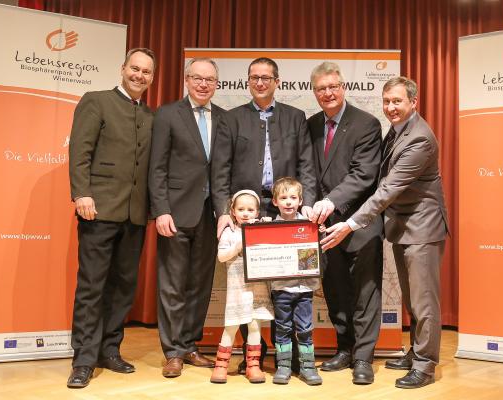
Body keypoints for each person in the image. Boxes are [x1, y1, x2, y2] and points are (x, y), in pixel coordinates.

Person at [320, 76, 449, 389]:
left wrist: (350, 223)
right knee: (411, 299)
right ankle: (416, 353)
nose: (391, 107)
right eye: (387, 101)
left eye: (398, 102)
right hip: (402, 228)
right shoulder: (396, 130)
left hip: (422, 229)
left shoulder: (419, 138)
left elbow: (387, 190)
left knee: (424, 302)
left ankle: (425, 365)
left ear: (413, 102)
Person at [211, 57, 317, 372]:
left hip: (286, 208)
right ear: (248, 81)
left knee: (287, 281)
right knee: (250, 282)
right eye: (254, 77)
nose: (260, 82)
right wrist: (222, 211)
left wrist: (305, 204)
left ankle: (294, 357)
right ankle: (253, 352)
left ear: (277, 81)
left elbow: (306, 166)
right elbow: (220, 171)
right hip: (247, 211)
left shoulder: (296, 117)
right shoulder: (231, 119)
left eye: (266, 77)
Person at [67, 48, 156, 388]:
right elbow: (80, 151)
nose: (140, 75)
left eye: (146, 72)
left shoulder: (151, 115)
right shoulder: (96, 100)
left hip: (135, 215)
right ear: (123, 69)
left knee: (122, 287)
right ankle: (84, 359)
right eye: (135, 68)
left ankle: (109, 350)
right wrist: (82, 193)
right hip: (99, 209)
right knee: (92, 286)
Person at [148, 58, 225, 377]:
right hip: (176, 212)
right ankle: (173, 351)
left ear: (217, 83)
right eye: (197, 78)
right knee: (173, 283)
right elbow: (157, 167)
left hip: (211, 215)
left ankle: (191, 345)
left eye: (209, 79)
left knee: (200, 284)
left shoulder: (224, 117)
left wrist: (224, 213)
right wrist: (161, 210)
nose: (203, 84)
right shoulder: (168, 114)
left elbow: (223, 169)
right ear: (186, 80)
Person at [307, 61, 383, 385]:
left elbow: (364, 175)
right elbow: (308, 171)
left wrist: (330, 201)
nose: (328, 93)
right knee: (335, 289)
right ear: (314, 92)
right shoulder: (310, 125)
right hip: (323, 225)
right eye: (321, 88)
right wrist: (310, 205)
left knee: (365, 292)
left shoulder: (366, 124)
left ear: (343, 87)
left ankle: (364, 357)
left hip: (359, 222)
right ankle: (344, 348)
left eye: (333, 86)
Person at [210, 190, 274, 384]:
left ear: (257, 212)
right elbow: (222, 256)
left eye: (250, 209)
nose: (245, 213)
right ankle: (221, 365)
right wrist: (237, 247)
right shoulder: (230, 232)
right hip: (237, 290)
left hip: (257, 289)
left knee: (255, 326)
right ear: (233, 211)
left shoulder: (261, 229)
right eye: (241, 209)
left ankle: (253, 366)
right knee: (230, 327)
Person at [267, 177, 322, 386]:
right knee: (282, 329)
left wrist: (319, 236)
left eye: (293, 197)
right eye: (283, 197)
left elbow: (313, 257)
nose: (288, 202)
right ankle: (284, 367)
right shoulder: (269, 228)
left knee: (305, 328)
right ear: (275, 201)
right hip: (281, 289)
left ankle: (308, 367)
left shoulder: (309, 227)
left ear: (300, 201)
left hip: (304, 289)